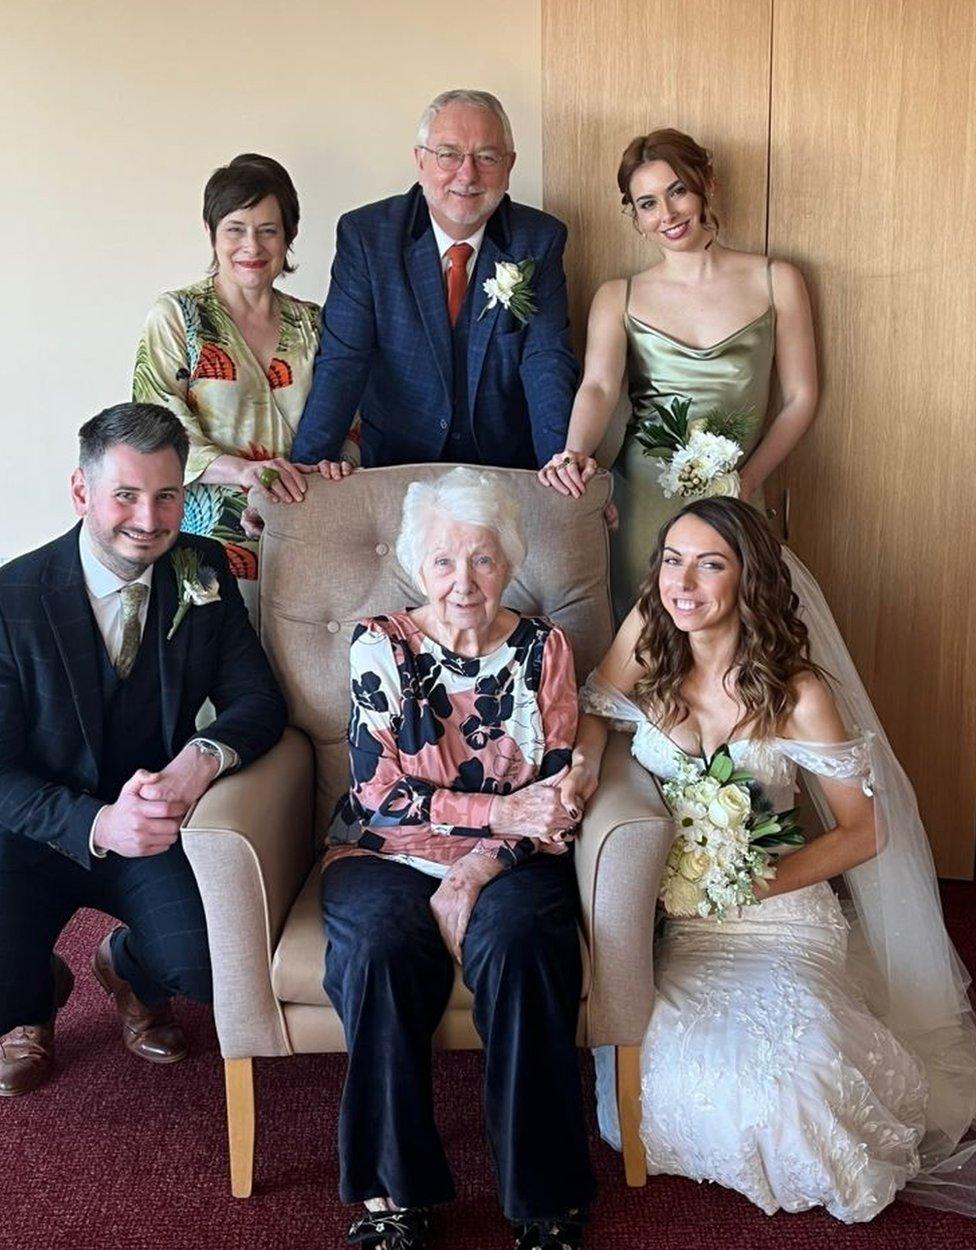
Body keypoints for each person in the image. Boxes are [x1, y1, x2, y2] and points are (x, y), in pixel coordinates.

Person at [563, 497, 976, 1221]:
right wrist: (583, 768)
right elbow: (597, 711)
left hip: (782, 916)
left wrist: (745, 883)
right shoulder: (649, 640)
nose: (682, 583)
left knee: (802, 1088)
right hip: (685, 922)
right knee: (657, 1078)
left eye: (709, 564)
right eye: (672, 560)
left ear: (748, 578)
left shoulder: (798, 691)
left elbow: (863, 831)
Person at [321, 468, 594, 1250]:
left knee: (522, 945)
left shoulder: (546, 650)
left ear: (509, 562)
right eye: (443, 560)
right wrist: (494, 809)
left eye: (482, 559)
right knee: (376, 947)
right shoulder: (381, 643)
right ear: (416, 564)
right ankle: (392, 1196)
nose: (463, 581)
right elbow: (378, 793)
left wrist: (479, 865)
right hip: (385, 852)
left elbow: (554, 796)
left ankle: (543, 1200)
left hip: (512, 861)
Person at [0, 402, 287, 1097]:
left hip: (157, 828)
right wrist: (96, 823)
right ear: (82, 493)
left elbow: (259, 702)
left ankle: (125, 967)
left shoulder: (204, 567)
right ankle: (30, 1000)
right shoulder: (12, 597)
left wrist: (200, 761)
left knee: (206, 966)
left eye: (167, 497)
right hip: (32, 837)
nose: (150, 520)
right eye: (126, 495)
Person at [537, 129, 817, 619]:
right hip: (643, 494)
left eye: (677, 191)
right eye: (647, 203)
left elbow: (800, 397)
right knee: (645, 638)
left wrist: (746, 483)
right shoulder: (617, 295)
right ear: (635, 216)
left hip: (737, 491)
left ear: (706, 183)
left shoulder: (777, 280)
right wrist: (574, 452)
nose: (666, 214)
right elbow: (599, 388)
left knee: (741, 640)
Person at [291, 89, 579, 474]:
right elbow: (344, 363)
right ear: (420, 160)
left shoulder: (538, 241)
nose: (467, 174)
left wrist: (561, 467)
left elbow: (547, 363)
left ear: (509, 166)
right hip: (399, 467)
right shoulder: (368, 237)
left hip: (505, 469)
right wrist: (305, 471)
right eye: (449, 155)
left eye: (486, 157)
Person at [133, 153, 357, 589]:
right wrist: (241, 472)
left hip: (302, 529)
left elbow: (350, 422)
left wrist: (337, 468)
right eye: (235, 229)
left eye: (268, 231)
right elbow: (155, 424)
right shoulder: (179, 316)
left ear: (289, 236)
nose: (252, 247)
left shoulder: (314, 323)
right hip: (205, 540)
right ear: (211, 233)